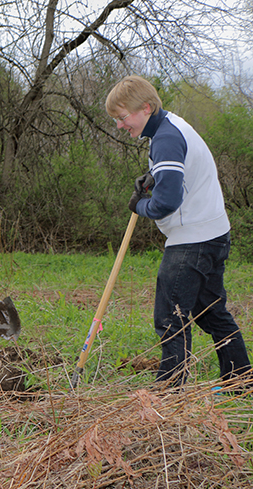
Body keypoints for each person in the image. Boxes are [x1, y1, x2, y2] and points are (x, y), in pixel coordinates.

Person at [106, 75, 251, 387]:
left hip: (192, 242)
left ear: (145, 108)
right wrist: (153, 177)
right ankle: (241, 381)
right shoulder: (171, 126)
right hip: (212, 233)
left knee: (171, 318)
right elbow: (178, 175)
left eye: (122, 117)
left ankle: (170, 393)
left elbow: (166, 203)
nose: (120, 126)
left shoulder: (166, 139)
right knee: (212, 313)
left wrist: (139, 206)